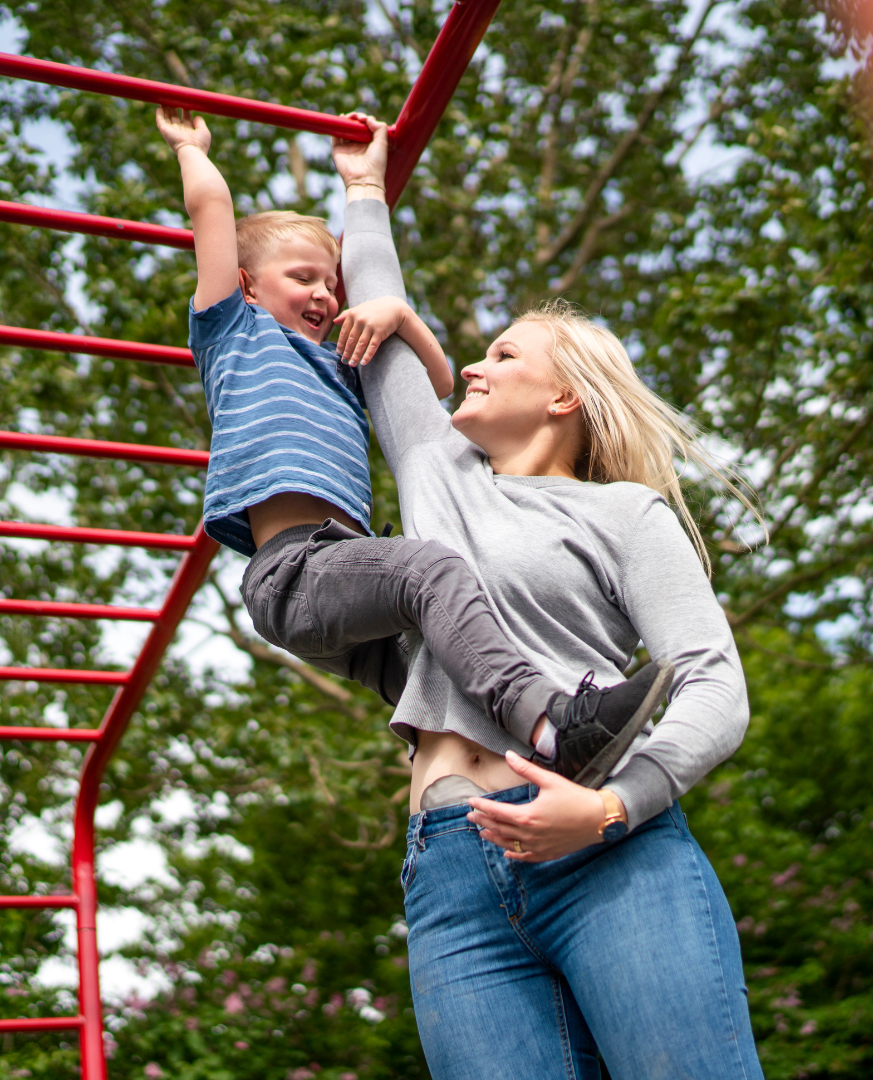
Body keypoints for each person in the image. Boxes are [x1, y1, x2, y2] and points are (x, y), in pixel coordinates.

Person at [332, 120, 763, 1078]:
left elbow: (715, 687)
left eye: (504, 354)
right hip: (448, 872)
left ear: (565, 399)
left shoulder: (623, 514)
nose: (472, 365)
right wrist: (365, 189)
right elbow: (377, 319)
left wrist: (613, 808)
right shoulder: (438, 473)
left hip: (608, 852)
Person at [154, 105, 673, 787]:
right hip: (293, 572)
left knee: (443, 665)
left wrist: (399, 314)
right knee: (430, 571)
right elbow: (213, 213)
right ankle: (555, 725)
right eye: (301, 277)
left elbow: (429, 383)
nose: (322, 293)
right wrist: (193, 150)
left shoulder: (340, 364)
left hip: (343, 573)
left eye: (329, 281)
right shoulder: (235, 336)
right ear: (249, 286)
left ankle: (526, 772)